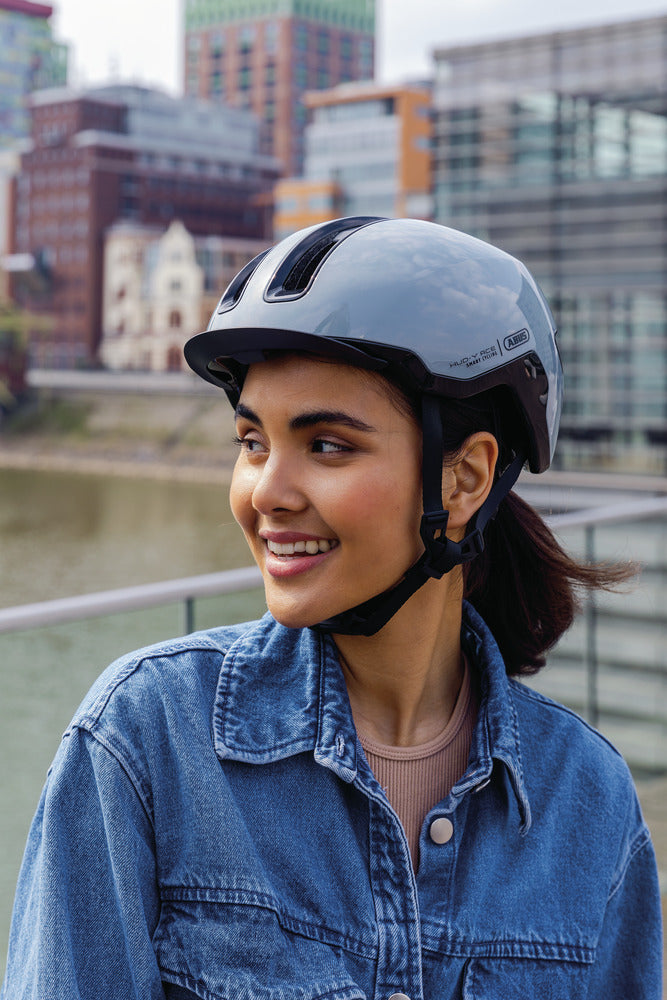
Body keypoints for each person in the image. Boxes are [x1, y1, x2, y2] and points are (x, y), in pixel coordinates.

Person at [1, 217, 662, 998]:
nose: (266, 494)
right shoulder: (142, 742)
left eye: (326, 446)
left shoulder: (587, 799)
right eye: (252, 442)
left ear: (464, 481)